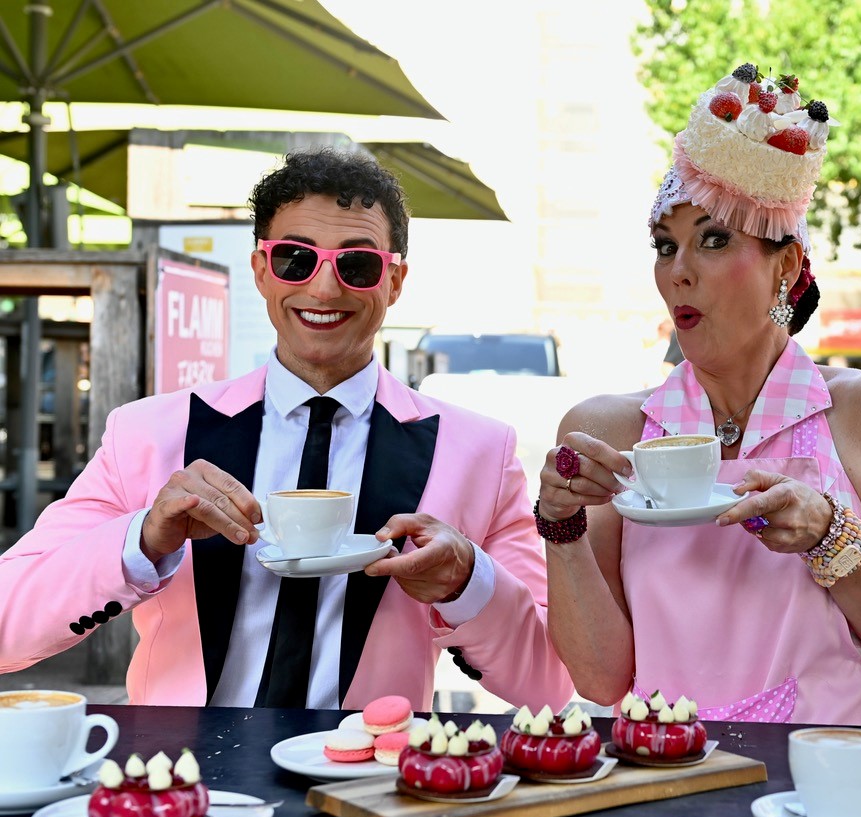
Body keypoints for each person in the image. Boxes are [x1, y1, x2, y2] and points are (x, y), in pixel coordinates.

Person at [0, 149, 572, 712]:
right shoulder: (148, 434)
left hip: (368, 781)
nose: (324, 289)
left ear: (394, 281)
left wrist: (467, 581)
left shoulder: (477, 452)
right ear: (261, 271)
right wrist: (142, 539)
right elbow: (7, 626)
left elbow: (548, 682)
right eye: (296, 259)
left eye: (357, 265)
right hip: (183, 780)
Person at [531, 65, 861, 725]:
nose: (679, 271)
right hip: (665, 781)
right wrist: (560, 525)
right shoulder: (606, 430)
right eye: (665, 246)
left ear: (786, 266)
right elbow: (601, 676)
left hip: (830, 787)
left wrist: (830, 535)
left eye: (714, 238)